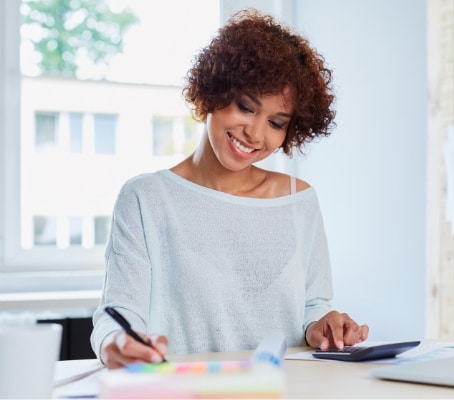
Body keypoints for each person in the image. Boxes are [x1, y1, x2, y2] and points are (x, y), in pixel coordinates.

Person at [91, 8, 369, 369]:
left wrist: (325, 325)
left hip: (285, 390)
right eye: (245, 107)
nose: (255, 133)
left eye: (275, 122)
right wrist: (117, 343)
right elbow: (118, 313)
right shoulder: (146, 199)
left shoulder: (297, 200)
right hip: (186, 391)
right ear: (213, 91)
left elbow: (313, 306)